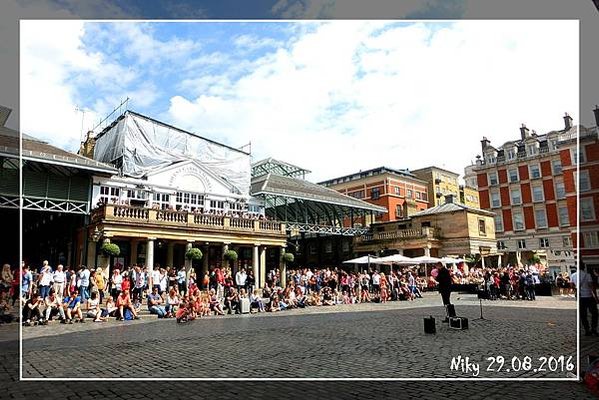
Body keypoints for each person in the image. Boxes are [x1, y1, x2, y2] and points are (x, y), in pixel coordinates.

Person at [572, 264, 598, 336]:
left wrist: (577, 290)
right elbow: (592, 287)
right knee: (594, 313)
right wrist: (596, 297)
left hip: (580, 297)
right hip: (589, 296)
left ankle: (587, 329)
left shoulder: (573, 275)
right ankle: (594, 328)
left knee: (583, 315)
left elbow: (572, 285)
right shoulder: (587, 275)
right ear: (584, 267)